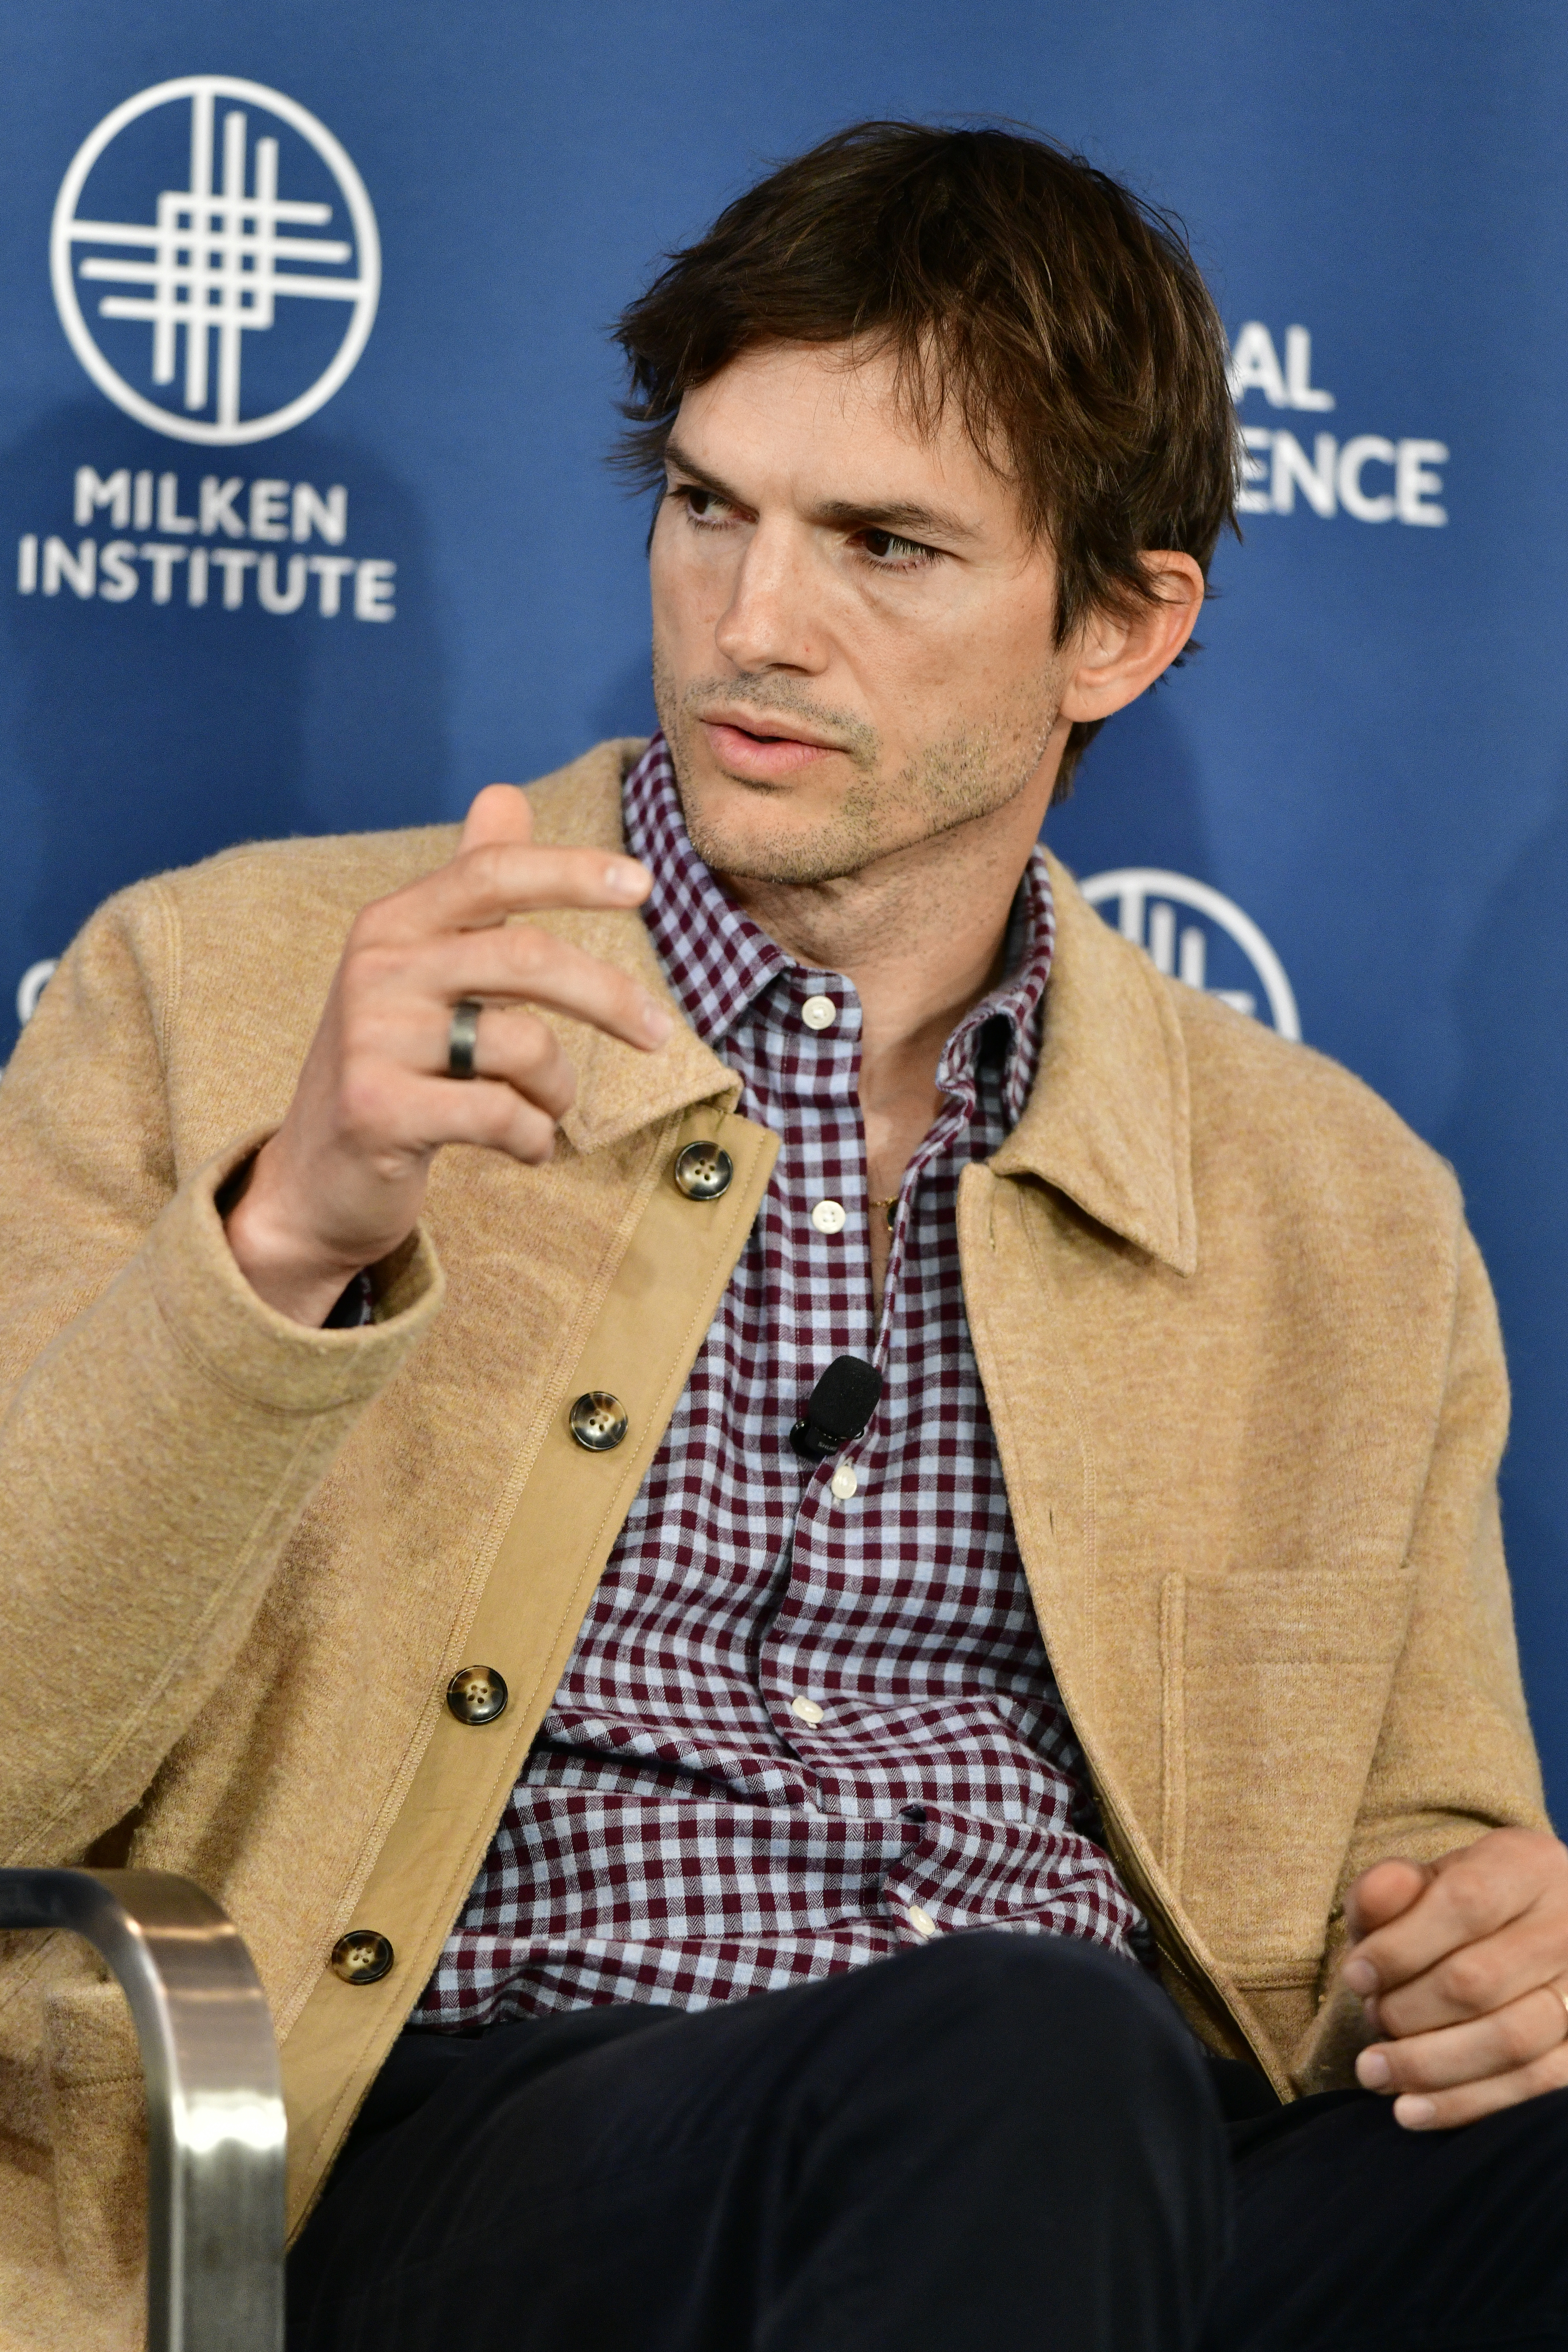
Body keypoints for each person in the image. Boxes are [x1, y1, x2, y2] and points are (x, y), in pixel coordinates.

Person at [0, 121, 1564, 2352]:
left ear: (1118, 625)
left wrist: (1509, 1948)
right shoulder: (230, 991)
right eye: (713, 506)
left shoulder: (1341, 1211)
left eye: (886, 547)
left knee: (1118, 2092)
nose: (753, 620)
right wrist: (287, 1241)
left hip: (1111, 2176)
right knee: (1013, 2060)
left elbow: (1423, 1881)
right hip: (464, 2156)